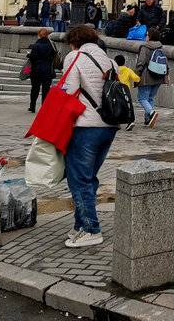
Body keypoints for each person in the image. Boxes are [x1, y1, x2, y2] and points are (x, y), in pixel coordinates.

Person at [61, 24, 120, 249]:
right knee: (90, 177)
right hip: (109, 126)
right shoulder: (110, 60)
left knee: (79, 179)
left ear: (74, 41)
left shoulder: (75, 57)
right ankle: (79, 225)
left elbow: (69, 92)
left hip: (86, 126)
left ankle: (91, 229)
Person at [135, 27, 167, 127]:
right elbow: (165, 61)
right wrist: (167, 74)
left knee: (142, 98)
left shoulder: (145, 47)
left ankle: (151, 112)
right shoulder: (160, 47)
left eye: (147, 35)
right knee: (151, 98)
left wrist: (136, 74)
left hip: (146, 75)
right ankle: (148, 119)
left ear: (150, 36)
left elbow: (141, 62)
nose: (146, 37)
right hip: (159, 76)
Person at [27, 27, 57, 112]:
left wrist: (28, 55)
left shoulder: (36, 46)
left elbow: (32, 58)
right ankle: (44, 108)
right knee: (46, 90)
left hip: (36, 71)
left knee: (34, 89)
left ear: (39, 35)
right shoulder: (51, 45)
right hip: (48, 71)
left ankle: (32, 106)